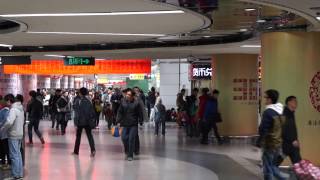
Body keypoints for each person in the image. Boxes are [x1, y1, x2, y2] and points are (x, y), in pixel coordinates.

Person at [257, 89, 286, 180]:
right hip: (279, 143)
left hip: (270, 143)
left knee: (268, 168)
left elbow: (263, 129)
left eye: (265, 97)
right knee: (273, 165)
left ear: (270, 99)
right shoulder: (282, 110)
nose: (264, 100)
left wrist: (259, 141)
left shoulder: (268, 112)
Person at [1, 94, 25, 180]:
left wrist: (3, 128)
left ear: (9, 101)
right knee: (18, 155)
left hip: (13, 134)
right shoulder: (20, 108)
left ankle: (15, 175)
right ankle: (19, 174)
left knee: (14, 156)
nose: (5, 103)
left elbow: (9, 122)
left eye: (6, 101)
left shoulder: (13, 110)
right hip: (19, 134)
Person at [116, 88, 144, 161]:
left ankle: (130, 155)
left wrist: (141, 122)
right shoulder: (123, 102)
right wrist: (118, 121)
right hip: (124, 124)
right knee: (124, 138)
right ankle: (127, 150)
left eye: (129, 95)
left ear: (132, 96)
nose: (127, 96)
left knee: (131, 139)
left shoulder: (136, 103)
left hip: (133, 124)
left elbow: (140, 113)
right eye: (127, 94)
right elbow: (119, 112)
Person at [73, 87, 96, 157]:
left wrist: (76, 122)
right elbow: (92, 112)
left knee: (80, 136)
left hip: (82, 122)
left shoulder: (81, 101)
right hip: (85, 121)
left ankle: (76, 151)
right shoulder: (88, 101)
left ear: (80, 93)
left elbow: (77, 112)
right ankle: (92, 150)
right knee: (88, 136)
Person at [281, 96, 302, 164]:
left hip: (291, 145)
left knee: (298, 162)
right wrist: (293, 140)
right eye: (294, 101)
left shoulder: (291, 113)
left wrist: (295, 140)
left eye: (296, 101)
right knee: (276, 161)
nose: (296, 103)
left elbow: (291, 128)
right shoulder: (284, 113)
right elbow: (283, 129)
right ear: (289, 102)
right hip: (286, 144)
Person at [0, 99, 10, 170]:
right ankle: (8, 163)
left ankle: (3, 163)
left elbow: (2, 122)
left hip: (2, 133)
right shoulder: (10, 111)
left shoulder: (2, 111)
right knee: (7, 149)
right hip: (8, 133)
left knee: (3, 149)